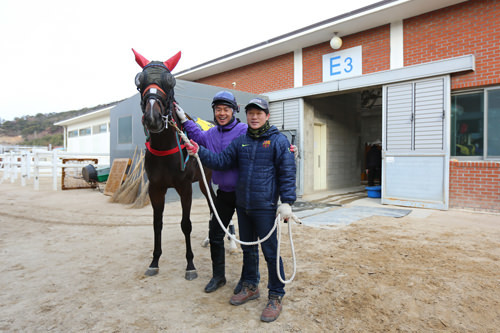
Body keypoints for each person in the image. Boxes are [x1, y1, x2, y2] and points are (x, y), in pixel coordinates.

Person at [186, 98, 296, 323]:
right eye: (251, 114)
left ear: (267, 115)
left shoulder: (279, 141)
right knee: (249, 250)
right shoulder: (241, 141)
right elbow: (221, 161)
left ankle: (276, 295)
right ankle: (250, 286)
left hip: (265, 207)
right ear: (246, 116)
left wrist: (287, 202)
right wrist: (199, 151)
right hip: (244, 206)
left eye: (259, 113)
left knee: (271, 253)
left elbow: (287, 172)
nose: (254, 117)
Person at [175, 91, 257, 294]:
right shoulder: (211, 134)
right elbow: (197, 136)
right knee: (215, 234)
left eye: (226, 109)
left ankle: (247, 281)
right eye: (218, 109)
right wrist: (184, 119)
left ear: (234, 110)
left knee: (247, 238)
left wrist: (285, 148)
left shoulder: (244, 130)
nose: (222, 113)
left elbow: (265, 136)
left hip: (245, 193)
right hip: (224, 194)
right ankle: (218, 276)